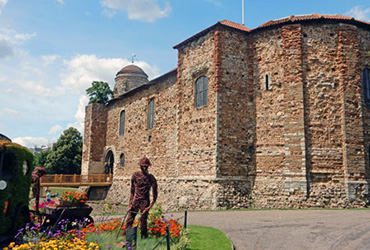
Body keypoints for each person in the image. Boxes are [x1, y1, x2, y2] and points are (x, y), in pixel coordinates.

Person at [124, 156, 158, 238]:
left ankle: (144, 237)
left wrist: (148, 207)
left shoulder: (151, 178)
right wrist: (130, 203)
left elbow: (155, 196)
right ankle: (125, 236)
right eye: (142, 166)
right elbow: (132, 191)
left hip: (145, 201)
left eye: (145, 166)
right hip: (136, 200)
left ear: (148, 167)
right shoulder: (135, 175)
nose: (144, 168)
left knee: (143, 221)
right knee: (129, 219)